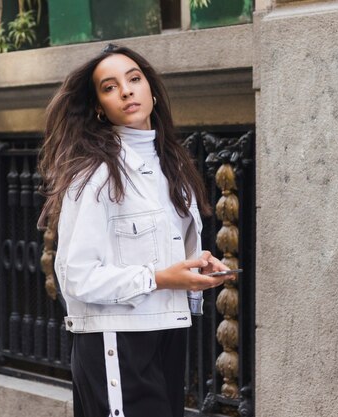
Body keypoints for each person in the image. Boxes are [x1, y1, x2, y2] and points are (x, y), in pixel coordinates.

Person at [38, 44, 236, 417]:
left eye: (134, 79)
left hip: (167, 330)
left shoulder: (170, 166)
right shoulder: (96, 174)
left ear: (152, 90)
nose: (126, 90)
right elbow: (75, 275)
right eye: (110, 87)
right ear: (99, 106)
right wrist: (160, 277)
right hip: (118, 339)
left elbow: (157, 250)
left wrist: (193, 268)